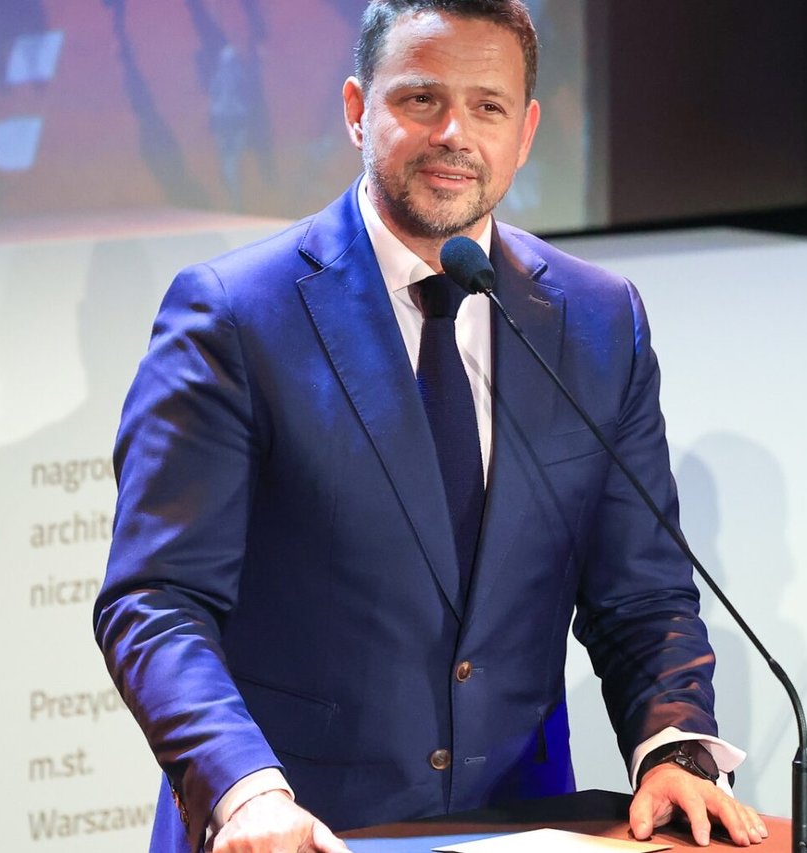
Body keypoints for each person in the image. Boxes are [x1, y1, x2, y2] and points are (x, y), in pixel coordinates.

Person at [94, 2, 769, 851]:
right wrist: (244, 789)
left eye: (487, 107)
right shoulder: (236, 314)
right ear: (357, 110)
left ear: (525, 132)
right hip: (292, 827)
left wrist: (674, 745)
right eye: (421, 99)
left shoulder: (598, 320)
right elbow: (157, 599)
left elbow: (642, 591)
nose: (455, 133)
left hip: (522, 824)